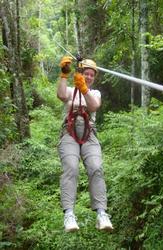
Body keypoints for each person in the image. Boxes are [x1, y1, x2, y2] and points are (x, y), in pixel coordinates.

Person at [57, 56, 113, 232]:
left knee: (96, 167)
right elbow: (61, 95)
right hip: (69, 132)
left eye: (91, 75)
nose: (88, 77)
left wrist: (84, 89)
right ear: (80, 73)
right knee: (71, 168)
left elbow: (94, 106)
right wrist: (64, 75)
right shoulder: (71, 90)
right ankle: (69, 216)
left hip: (89, 134)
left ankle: (102, 214)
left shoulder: (95, 93)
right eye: (85, 74)